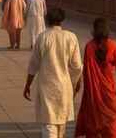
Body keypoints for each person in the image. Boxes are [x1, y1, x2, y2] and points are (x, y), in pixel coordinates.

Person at [23, 8, 83, 138]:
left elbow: (33, 65)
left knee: (49, 123)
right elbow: (77, 66)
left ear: (47, 20)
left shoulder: (42, 37)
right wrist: (76, 82)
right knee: (61, 122)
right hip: (64, 85)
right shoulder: (71, 37)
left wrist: (28, 84)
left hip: (46, 85)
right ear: (61, 22)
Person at [75, 18, 116, 138]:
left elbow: (85, 69)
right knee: (112, 121)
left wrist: (78, 83)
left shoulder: (89, 46)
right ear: (107, 30)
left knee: (94, 121)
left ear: (94, 30)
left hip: (94, 93)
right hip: (109, 91)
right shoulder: (114, 45)